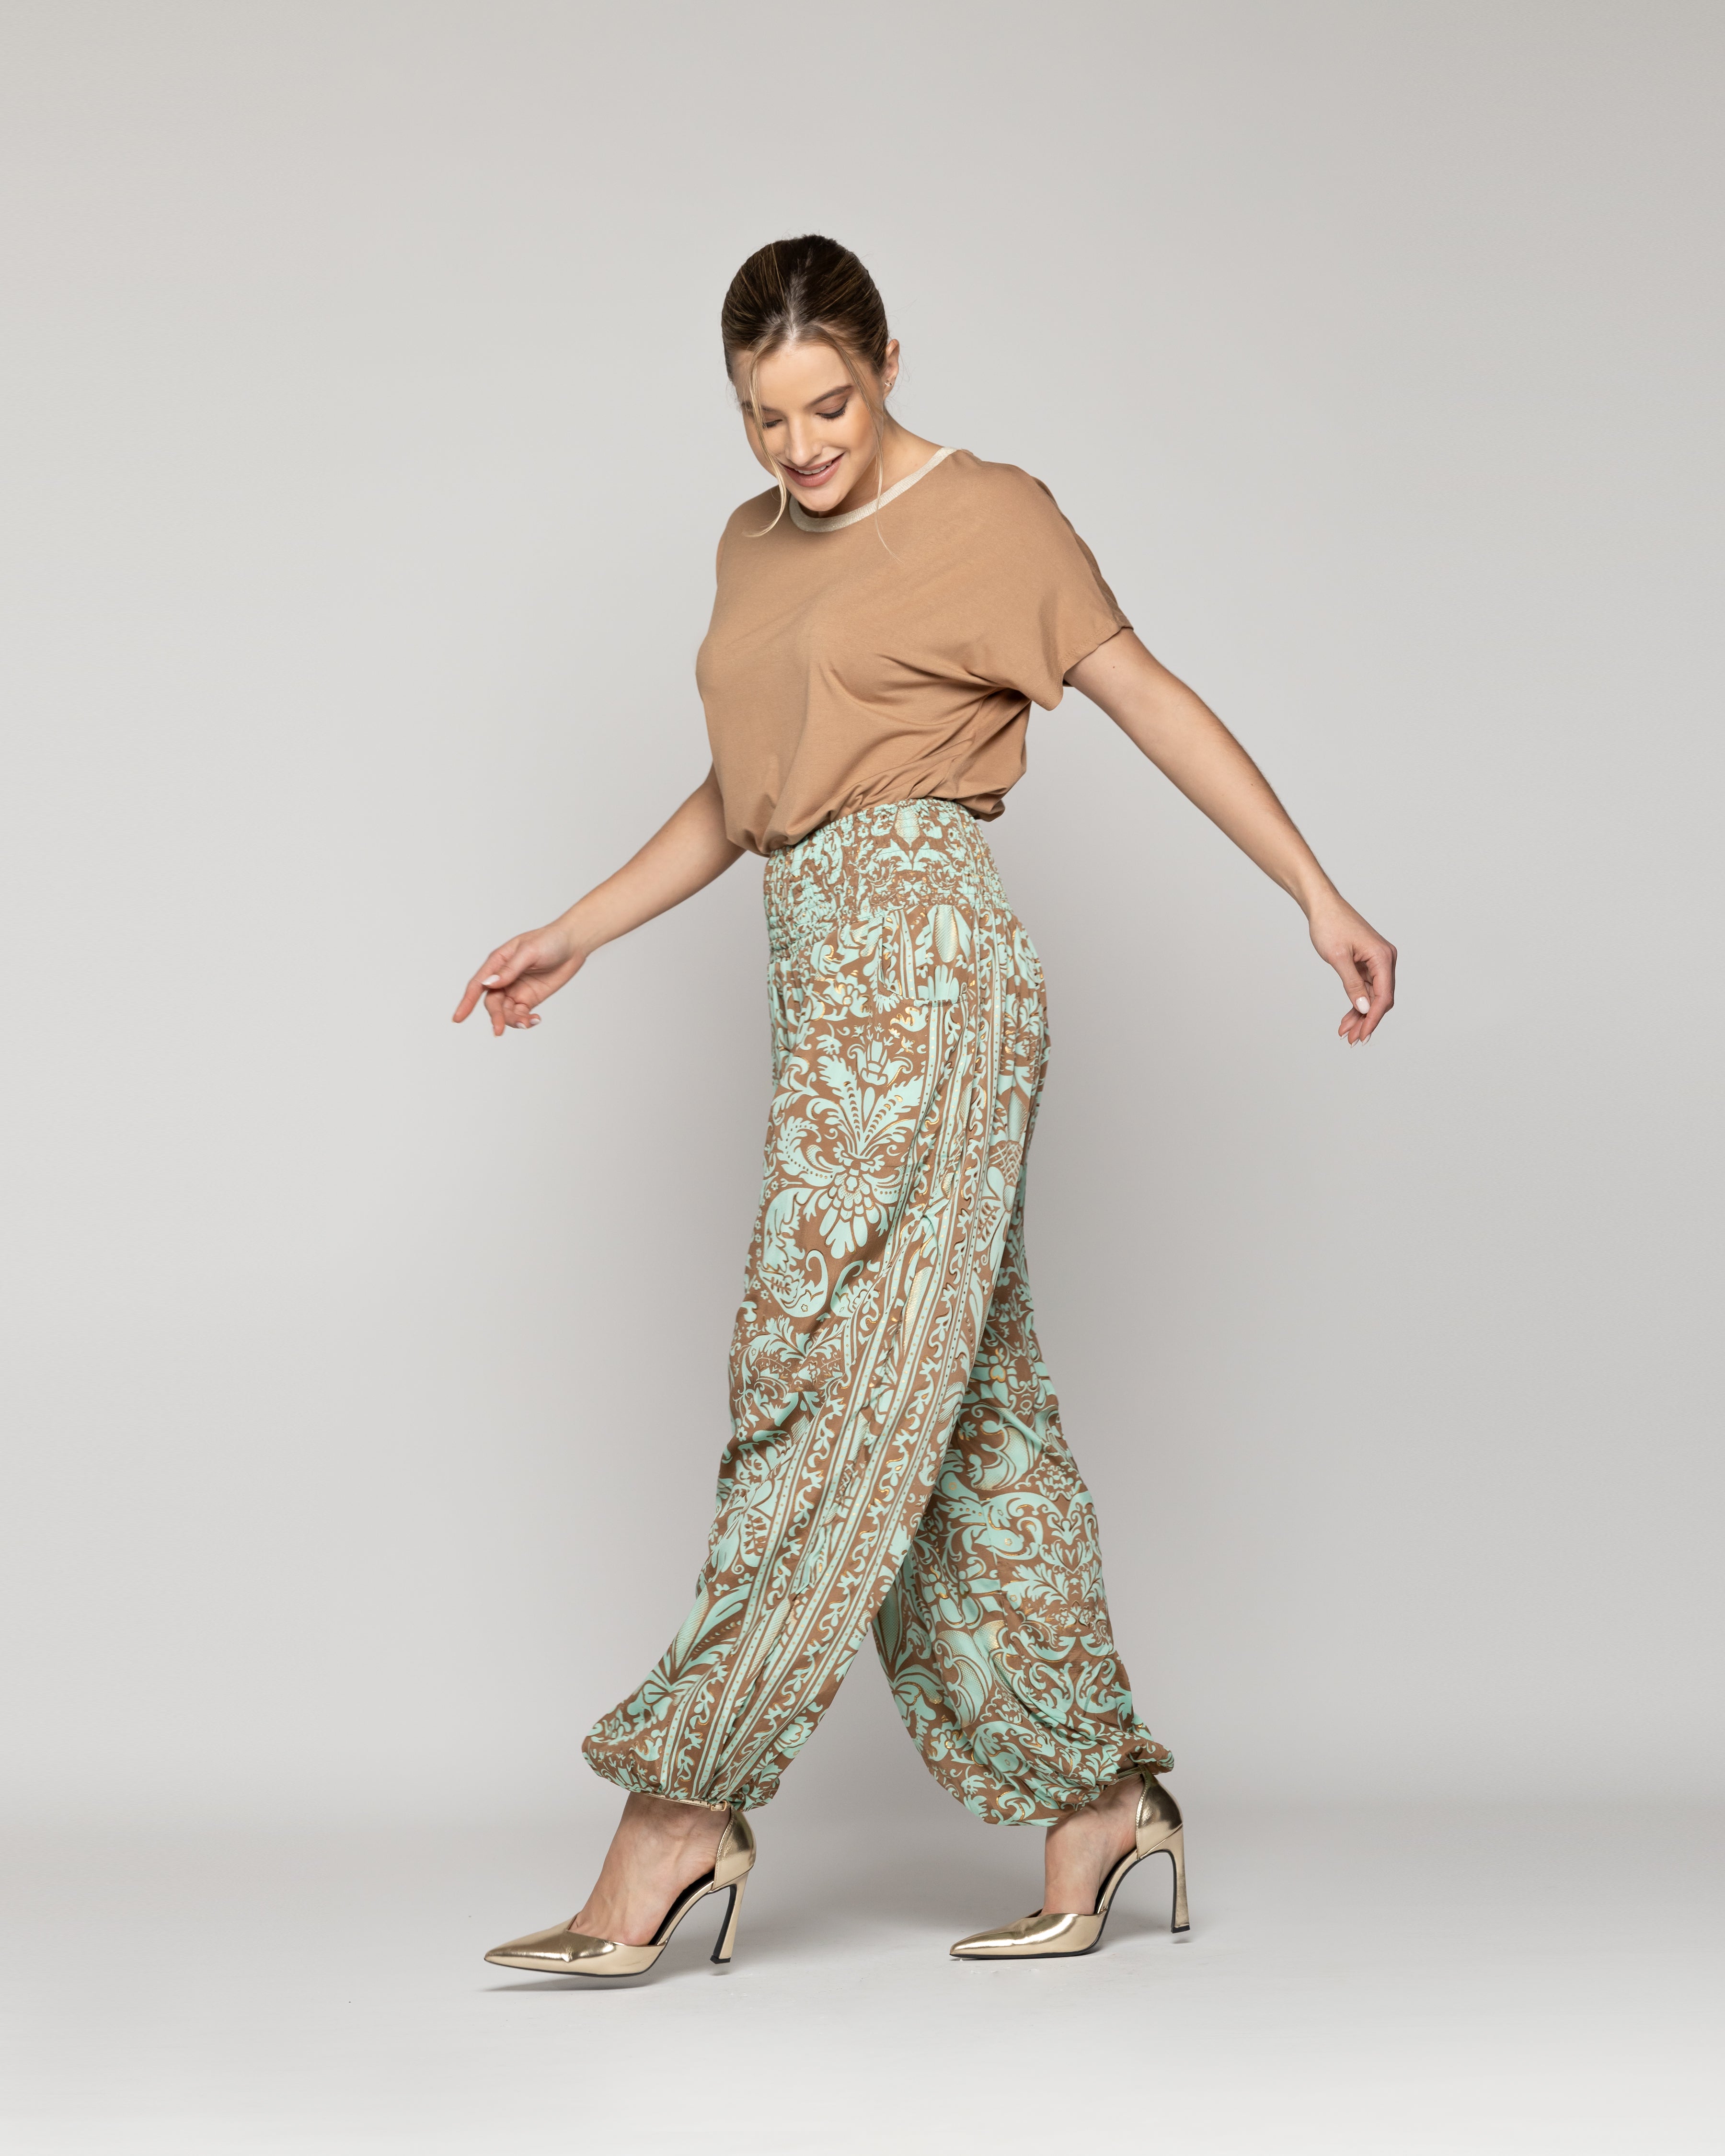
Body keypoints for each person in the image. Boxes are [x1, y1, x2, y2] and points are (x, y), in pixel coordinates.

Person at [456, 234, 1396, 1979]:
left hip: (927, 967)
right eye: (765, 417)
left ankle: (678, 1814)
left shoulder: (993, 516)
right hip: (818, 972)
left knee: (812, 1366)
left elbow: (1147, 694)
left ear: (890, 362)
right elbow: (750, 792)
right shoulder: (750, 544)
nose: (801, 446)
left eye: (830, 403)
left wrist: (1313, 891)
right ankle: (1100, 1799)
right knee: (968, 1413)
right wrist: (577, 929)